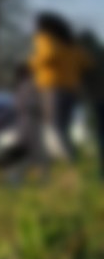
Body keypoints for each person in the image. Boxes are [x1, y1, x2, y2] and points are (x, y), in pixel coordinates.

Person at [32, 13, 94, 163]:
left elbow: (47, 56)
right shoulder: (71, 43)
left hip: (52, 86)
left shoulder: (45, 38)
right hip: (72, 88)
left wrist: (32, 62)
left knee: (54, 125)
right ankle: (72, 156)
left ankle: (67, 159)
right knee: (64, 125)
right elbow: (87, 62)